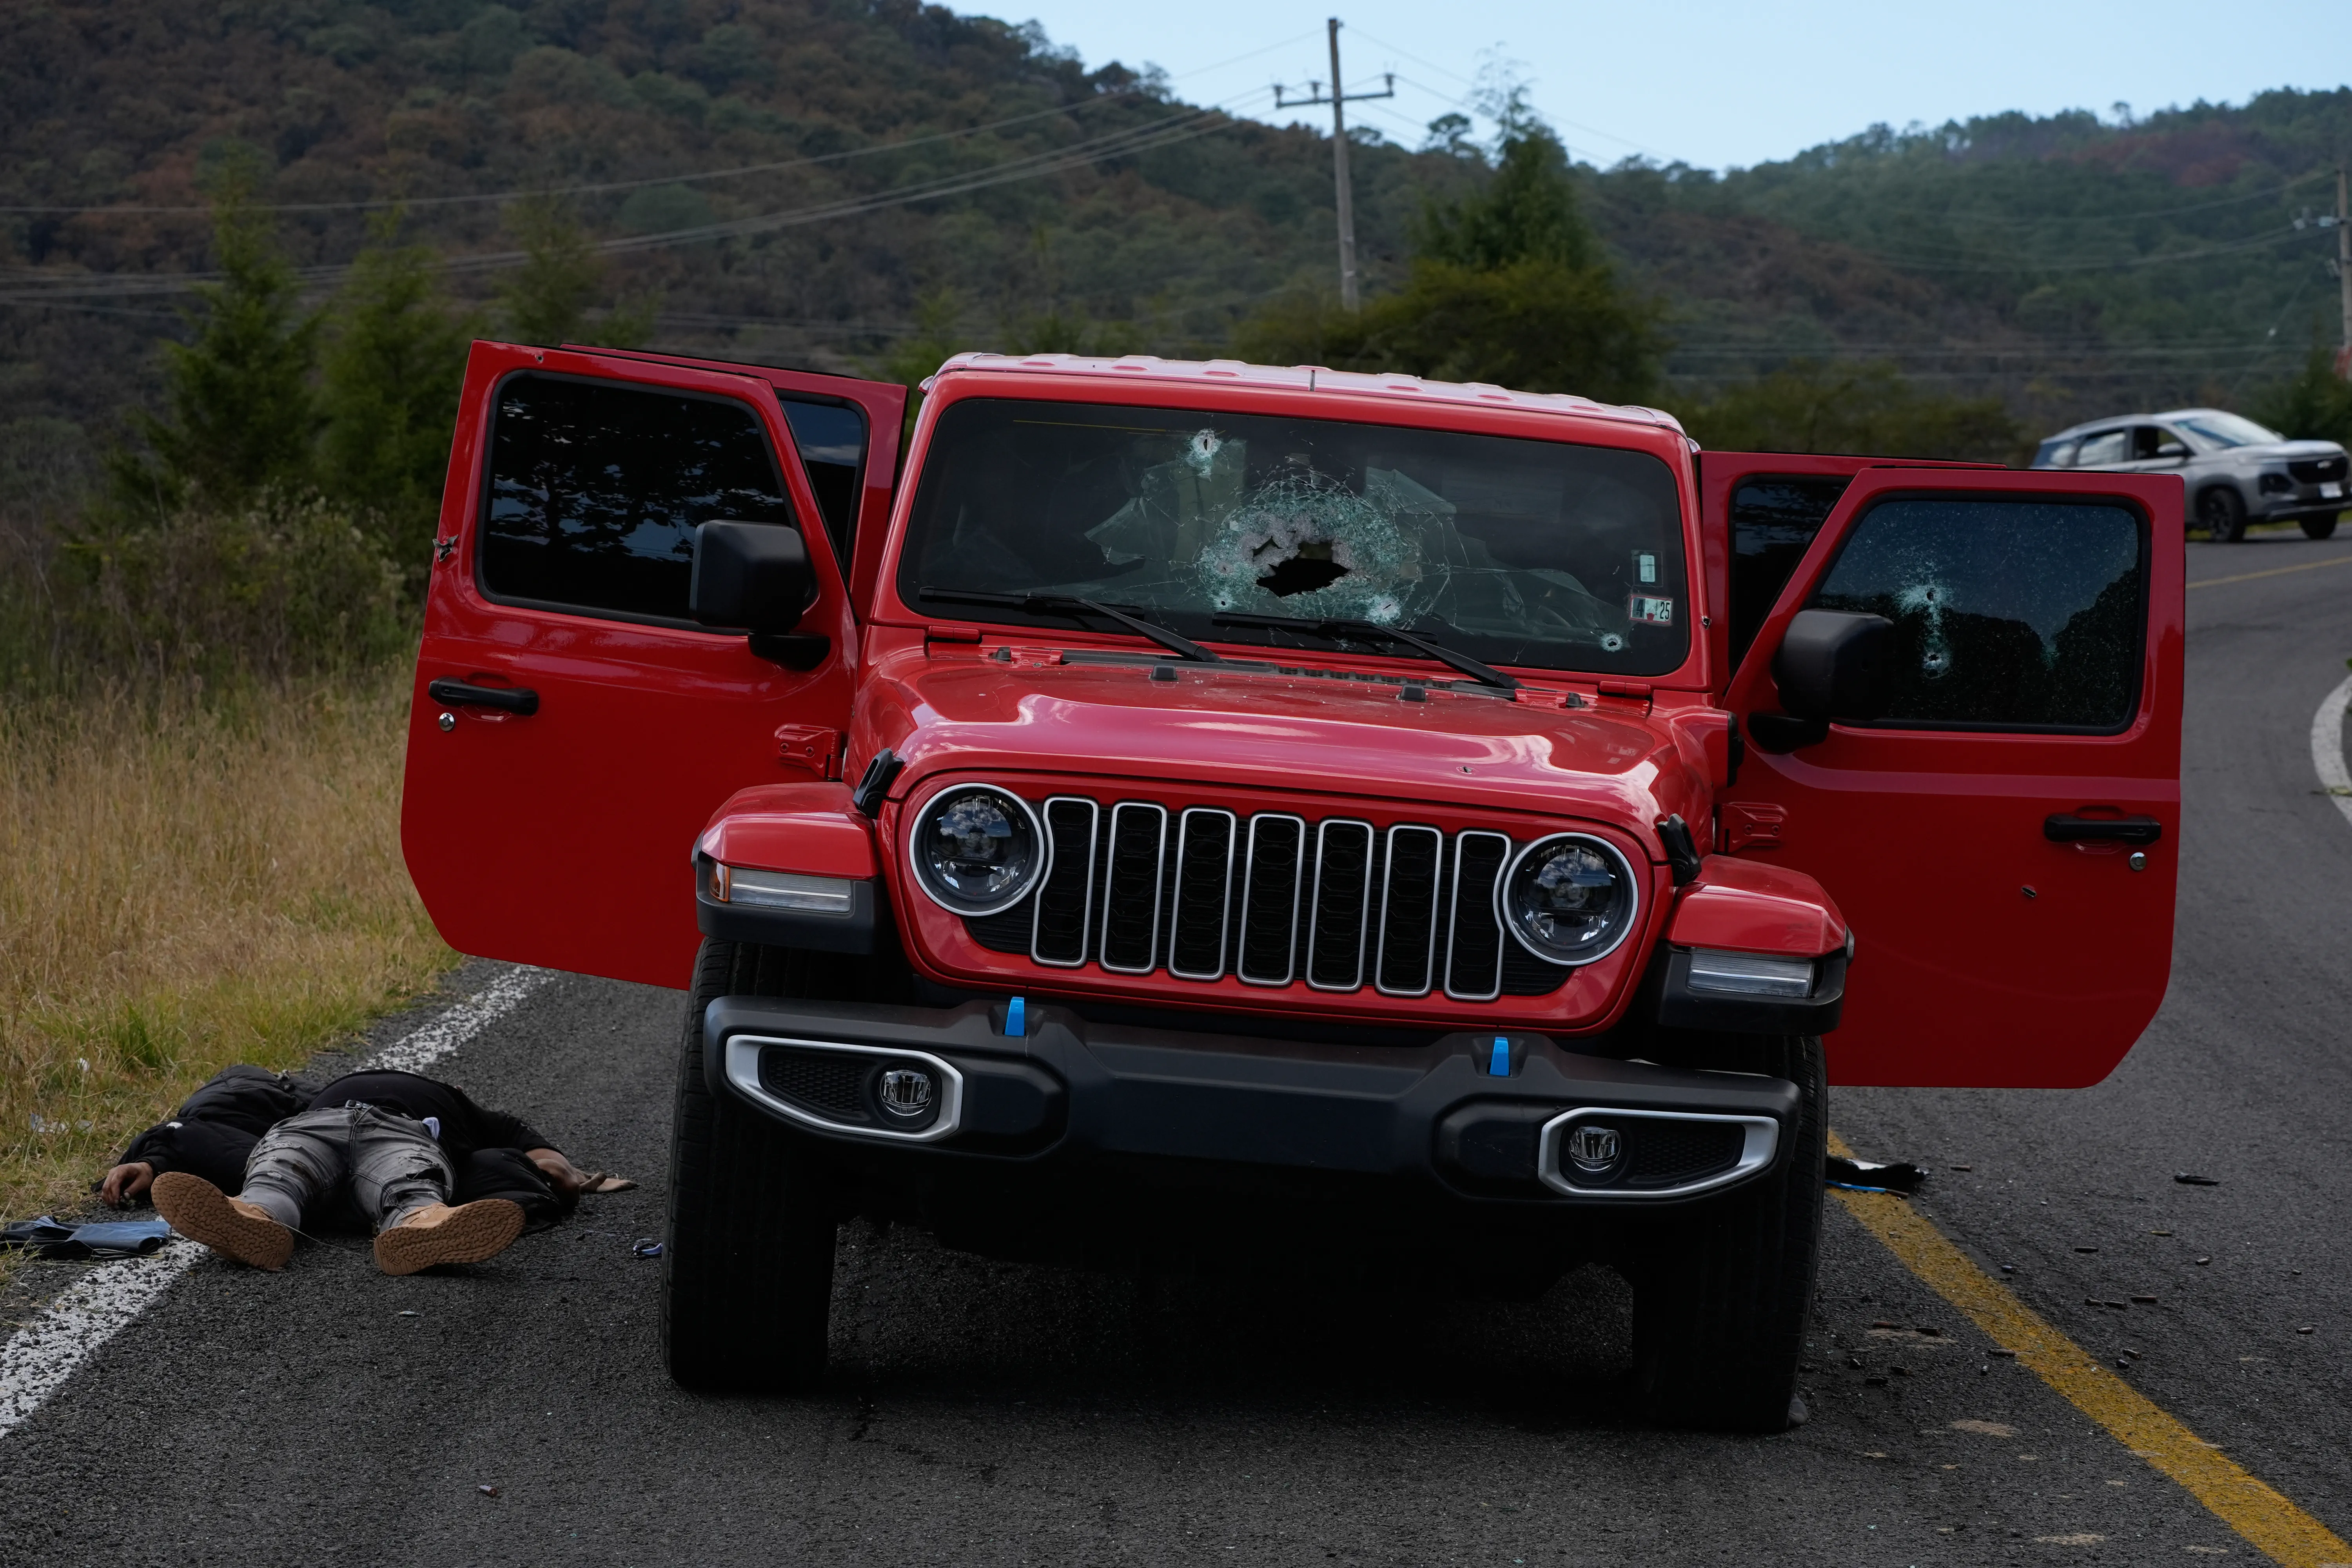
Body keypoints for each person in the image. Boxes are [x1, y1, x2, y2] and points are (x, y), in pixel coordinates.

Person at [100, 1065, 624, 1277]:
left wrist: (562, 1175)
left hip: (402, 1133)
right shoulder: (309, 1098)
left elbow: (539, 1152)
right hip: (315, 1126)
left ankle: (422, 1228)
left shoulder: (471, 1115)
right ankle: (254, 1222)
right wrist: (152, 1160)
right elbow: (216, 1128)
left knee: (407, 1179)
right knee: (279, 1169)